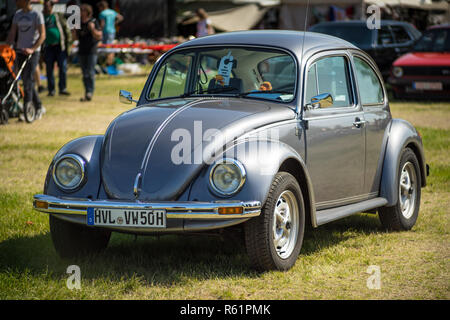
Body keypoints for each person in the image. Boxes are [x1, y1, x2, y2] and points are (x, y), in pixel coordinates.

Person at [6, 0, 46, 119]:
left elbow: (42, 35)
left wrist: (32, 49)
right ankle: (38, 106)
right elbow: (13, 33)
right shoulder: (17, 14)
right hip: (19, 51)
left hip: (32, 53)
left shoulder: (36, 15)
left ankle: (27, 110)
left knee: (28, 79)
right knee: (26, 80)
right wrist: (7, 47)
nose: (16, 2)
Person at [72, 4, 102, 102]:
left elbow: (99, 36)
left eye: (83, 11)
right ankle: (86, 91)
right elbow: (75, 39)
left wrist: (92, 29)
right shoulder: (79, 23)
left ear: (87, 12)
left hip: (92, 51)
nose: (81, 13)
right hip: (82, 51)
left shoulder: (93, 21)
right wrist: (74, 32)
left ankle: (90, 92)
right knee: (84, 73)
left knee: (90, 72)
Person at [43, 0, 71, 96]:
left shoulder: (58, 16)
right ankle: (51, 90)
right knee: (49, 69)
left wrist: (68, 46)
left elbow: (67, 30)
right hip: (48, 47)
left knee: (62, 68)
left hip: (60, 46)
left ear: (51, 7)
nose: (46, 8)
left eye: (48, 6)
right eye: (45, 6)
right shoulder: (41, 17)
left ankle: (62, 88)